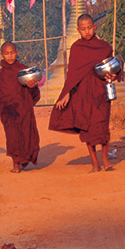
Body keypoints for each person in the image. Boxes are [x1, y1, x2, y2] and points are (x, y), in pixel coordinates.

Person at [49, 14, 118, 172]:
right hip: (83, 94)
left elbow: (112, 65)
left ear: (95, 27)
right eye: (83, 29)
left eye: (89, 28)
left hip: (101, 91)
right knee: (88, 128)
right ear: (78, 30)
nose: (87, 32)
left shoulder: (104, 46)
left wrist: (113, 74)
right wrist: (66, 93)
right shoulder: (76, 48)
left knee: (102, 125)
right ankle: (94, 161)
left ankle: (105, 159)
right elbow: (72, 73)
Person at [0, 42, 40, 173]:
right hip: (9, 110)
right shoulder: (1, 74)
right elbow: (1, 94)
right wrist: (3, 111)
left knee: (26, 135)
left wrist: (32, 87)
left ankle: (24, 159)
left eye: (12, 52)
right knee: (12, 136)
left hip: (24, 109)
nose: (10, 56)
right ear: (2, 55)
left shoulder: (24, 71)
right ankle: (16, 163)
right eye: (7, 53)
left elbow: (34, 93)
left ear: (17, 53)